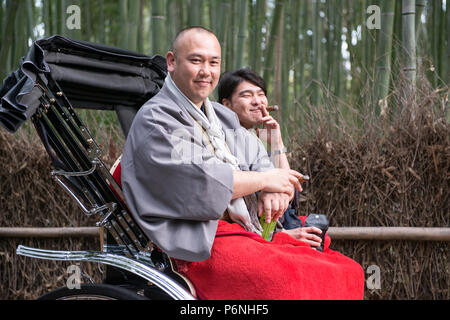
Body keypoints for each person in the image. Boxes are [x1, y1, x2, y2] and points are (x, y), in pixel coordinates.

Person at [121, 26, 364, 300]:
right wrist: (265, 181)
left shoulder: (222, 117)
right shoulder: (159, 118)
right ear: (172, 62)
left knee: (347, 270)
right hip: (198, 241)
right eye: (196, 60)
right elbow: (203, 181)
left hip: (240, 231)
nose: (206, 71)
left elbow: (261, 160)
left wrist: (271, 185)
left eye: (214, 62)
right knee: (288, 280)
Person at [218, 68, 323, 248]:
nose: (258, 101)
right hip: (245, 236)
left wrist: (276, 141)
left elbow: (289, 189)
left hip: (269, 230)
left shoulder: (251, 141)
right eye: (247, 95)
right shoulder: (221, 139)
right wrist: (282, 235)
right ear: (226, 105)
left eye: (261, 94)